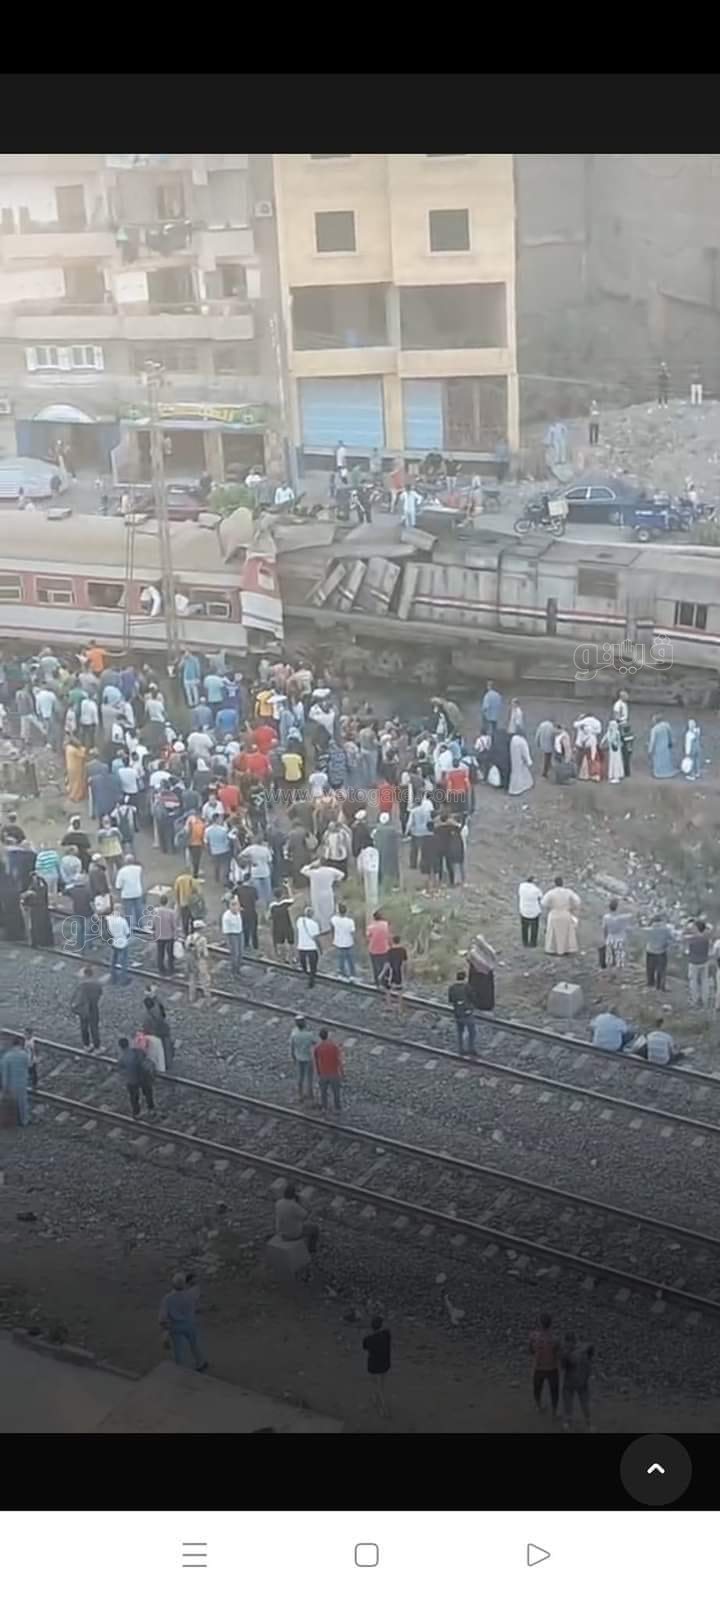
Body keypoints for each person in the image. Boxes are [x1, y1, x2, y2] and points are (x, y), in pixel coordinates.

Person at [159, 1271, 207, 1372]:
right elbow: (196, 1286)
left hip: (175, 1326)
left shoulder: (167, 1298)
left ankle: (180, 1368)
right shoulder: (191, 1294)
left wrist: (165, 1332)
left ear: (172, 1284)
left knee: (178, 1349)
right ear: (184, 1284)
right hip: (189, 1324)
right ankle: (200, 1363)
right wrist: (191, 1280)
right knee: (194, 1344)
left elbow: (163, 1318)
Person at [529, 1312, 561, 1420]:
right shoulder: (555, 1338)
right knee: (554, 1391)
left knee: (537, 1389)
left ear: (540, 1324)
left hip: (539, 1368)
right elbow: (558, 1354)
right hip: (552, 1368)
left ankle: (538, 1406)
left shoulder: (533, 1336)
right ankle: (554, 1412)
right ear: (551, 1324)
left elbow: (531, 1351)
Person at [561, 1333, 594, 1431]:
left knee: (580, 1404)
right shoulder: (583, 1348)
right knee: (574, 1403)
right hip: (577, 1381)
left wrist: (566, 1355)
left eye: (566, 1342)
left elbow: (564, 1365)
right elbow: (591, 1347)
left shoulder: (569, 1353)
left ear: (570, 1341)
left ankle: (586, 1423)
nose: (565, 1344)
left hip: (575, 1382)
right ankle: (573, 1422)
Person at [275, 1180, 319, 1253]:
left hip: (280, 1232)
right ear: (294, 1195)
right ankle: (312, 1249)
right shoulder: (294, 1206)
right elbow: (306, 1217)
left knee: (294, 1221)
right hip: (293, 1235)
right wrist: (314, 1211)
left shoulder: (278, 1203)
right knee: (315, 1228)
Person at [541, 876, 581, 956]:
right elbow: (577, 901)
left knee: (553, 934)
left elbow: (543, 903)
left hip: (554, 914)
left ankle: (552, 949)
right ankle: (566, 949)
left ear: (554, 883)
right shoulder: (568, 892)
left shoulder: (551, 893)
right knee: (565, 933)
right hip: (565, 914)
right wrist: (571, 907)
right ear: (563, 883)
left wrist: (551, 906)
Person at [363, 1315, 391, 1420]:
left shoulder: (369, 1339)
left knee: (377, 1387)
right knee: (381, 1385)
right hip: (385, 1365)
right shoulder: (387, 1335)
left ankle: (384, 1409)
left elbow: (365, 1346)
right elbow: (386, 1329)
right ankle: (375, 1399)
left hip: (374, 1366)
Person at [69, 964, 103, 1051]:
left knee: (84, 1027)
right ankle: (97, 1046)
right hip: (94, 1007)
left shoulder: (82, 985)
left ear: (85, 974)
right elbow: (100, 994)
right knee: (94, 1027)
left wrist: (74, 1006)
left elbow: (79, 998)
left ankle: (86, 1045)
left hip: (84, 1009)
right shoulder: (97, 984)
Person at [1, 1034, 31, 1126]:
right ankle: (24, 1121)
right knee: (23, 1103)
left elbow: (5, 1074)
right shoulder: (24, 1054)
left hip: (11, 1084)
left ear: (12, 1045)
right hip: (22, 1082)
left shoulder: (7, 1057)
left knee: (12, 1103)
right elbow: (29, 1065)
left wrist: (5, 1087)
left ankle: (13, 1120)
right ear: (19, 1044)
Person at [448, 969, 477, 1056]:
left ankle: (461, 1049)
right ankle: (471, 1048)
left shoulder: (452, 988)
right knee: (472, 1031)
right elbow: (473, 998)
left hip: (457, 1013)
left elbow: (451, 1000)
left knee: (460, 1031)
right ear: (464, 978)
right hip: (467, 1012)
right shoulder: (467, 987)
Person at [314, 1026, 343, 1112]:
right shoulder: (334, 1046)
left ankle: (324, 1107)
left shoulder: (317, 1048)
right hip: (334, 1073)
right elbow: (339, 1060)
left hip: (323, 1073)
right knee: (336, 1092)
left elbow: (316, 1061)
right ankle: (337, 1108)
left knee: (323, 1092)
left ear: (320, 1037)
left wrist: (318, 1072)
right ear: (327, 1035)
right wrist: (342, 1072)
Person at [22, 872, 54, 948]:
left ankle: (39, 941)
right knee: (38, 925)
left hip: (38, 908)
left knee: (37, 925)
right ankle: (41, 941)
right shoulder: (40, 884)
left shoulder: (37, 885)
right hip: (39, 908)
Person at [466, 933, 496, 1012]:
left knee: (478, 989)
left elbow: (470, 959)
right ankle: (486, 1004)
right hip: (486, 974)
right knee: (487, 990)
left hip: (477, 973)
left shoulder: (474, 951)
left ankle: (478, 1004)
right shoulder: (488, 948)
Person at [290, 1015, 316, 1102]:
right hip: (308, 1058)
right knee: (309, 1077)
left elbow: (292, 1047)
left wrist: (293, 1057)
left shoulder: (294, 1034)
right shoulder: (309, 1034)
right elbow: (314, 1042)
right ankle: (310, 1094)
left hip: (298, 1058)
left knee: (300, 1077)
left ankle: (300, 1094)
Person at [687, 918, 711, 1008]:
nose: (692, 928)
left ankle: (694, 1000)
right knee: (704, 981)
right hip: (704, 962)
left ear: (697, 928)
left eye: (694, 927)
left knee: (693, 981)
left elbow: (688, 951)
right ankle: (705, 1001)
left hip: (694, 962)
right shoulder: (706, 939)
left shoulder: (692, 939)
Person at [645, 915, 673, 991]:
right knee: (661, 970)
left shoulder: (649, 930)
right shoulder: (666, 930)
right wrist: (666, 945)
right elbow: (671, 939)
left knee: (650, 969)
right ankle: (660, 986)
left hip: (650, 951)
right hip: (661, 951)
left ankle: (650, 984)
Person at [185, 922, 211, 1004]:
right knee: (205, 979)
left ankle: (191, 997)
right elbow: (205, 953)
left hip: (191, 961)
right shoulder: (203, 939)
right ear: (201, 929)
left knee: (192, 978)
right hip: (200, 960)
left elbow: (186, 948)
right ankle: (208, 999)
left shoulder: (189, 937)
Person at [152, 894, 177, 976]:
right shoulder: (171, 912)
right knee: (170, 954)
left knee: (160, 953)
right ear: (167, 902)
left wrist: (154, 931)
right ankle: (171, 969)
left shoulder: (156, 911)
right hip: (169, 936)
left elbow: (153, 924)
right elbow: (174, 925)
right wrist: (175, 934)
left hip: (159, 935)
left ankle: (161, 969)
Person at [295, 905, 321, 986]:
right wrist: (320, 948)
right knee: (313, 965)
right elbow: (316, 938)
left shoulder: (300, 920)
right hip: (311, 947)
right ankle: (311, 980)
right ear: (312, 914)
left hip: (301, 946)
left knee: (303, 963)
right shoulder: (314, 924)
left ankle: (305, 972)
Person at [268, 883, 294, 961]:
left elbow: (269, 916)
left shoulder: (272, 905)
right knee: (289, 942)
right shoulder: (285, 903)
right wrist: (288, 887)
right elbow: (292, 898)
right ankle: (289, 957)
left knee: (279, 942)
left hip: (277, 926)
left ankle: (281, 956)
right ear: (282, 895)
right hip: (287, 925)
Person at [106, 903, 131, 985]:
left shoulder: (109, 918)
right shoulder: (122, 921)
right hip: (122, 942)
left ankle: (113, 978)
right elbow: (127, 933)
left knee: (113, 961)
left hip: (114, 941)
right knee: (124, 962)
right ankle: (123, 979)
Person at [331, 901, 356, 979]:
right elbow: (352, 932)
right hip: (349, 942)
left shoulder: (334, 919)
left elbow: (332, 925)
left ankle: (341, 974)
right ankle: (352, 975)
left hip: (338, 943)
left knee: (340, 959)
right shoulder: (350, 921)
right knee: (350, 960)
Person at [367, 908, 391, 986]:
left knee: (375, 967)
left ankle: (377, 982)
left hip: (373, 949)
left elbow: (368, 936)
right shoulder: (385, 924)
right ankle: (385, 981)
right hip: (384, 949)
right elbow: (388, 935)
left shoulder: (370, 927)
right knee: (384, 966)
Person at [221, 895, 245, 975]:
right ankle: (234, 971)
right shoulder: (226, 916)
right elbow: (225, 930)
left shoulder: (238, 912)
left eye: (236, 904)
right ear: (229, 906)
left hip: (239, 933)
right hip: (232, 934)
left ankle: (238, 969)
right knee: (235, 953)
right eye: (233, 905)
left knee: (241, 953)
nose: (235, 907)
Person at [518, 875, 543, 948]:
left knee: (524, 927)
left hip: (523, 910)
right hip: (534, 911)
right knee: (534, 928)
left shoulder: (521, 886)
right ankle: (533, 943)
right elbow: (541, 897)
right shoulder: (536, 890)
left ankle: (525, 942)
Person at [508, 731, 533, 796]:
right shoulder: (522, 741)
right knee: (521, 773)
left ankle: (515, 788)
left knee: (516, 772)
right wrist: (529, 761)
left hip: (514, 759)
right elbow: (525, 753)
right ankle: (517, 789)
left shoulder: (513, 739)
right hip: (521, 760)